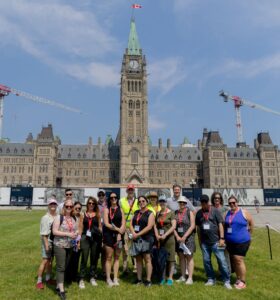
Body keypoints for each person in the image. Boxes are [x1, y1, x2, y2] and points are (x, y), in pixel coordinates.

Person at [195, 194, 231, 289]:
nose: (204, 204)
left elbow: (220, 225)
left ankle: (226, 280)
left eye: (205, 202)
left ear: (208, 202)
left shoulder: (215, 211)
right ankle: (211, 279)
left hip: (216, 242)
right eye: (202, 202)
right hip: (204, 243)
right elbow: (198, 228)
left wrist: (222, 238)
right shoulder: (198, 213)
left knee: (222, 261)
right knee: (206, 261)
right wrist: (199, 241)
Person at [225, 196, 254, 289]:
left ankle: (243, 281)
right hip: (229, 242)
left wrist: (249, 234)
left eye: (234, 202)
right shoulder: (227, 213)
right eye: (230, 203)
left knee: (239, 259)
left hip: (242, 241)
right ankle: (238, 278)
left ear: (237, 202)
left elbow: (251, 223)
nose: (232, 204)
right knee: (234, 260)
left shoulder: (244, 212)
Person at [53, 199, 79, 300]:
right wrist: (67, 234)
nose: (69, 208)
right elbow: (54, 231)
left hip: (70, 246)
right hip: (60, 245)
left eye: (70, 206)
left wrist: (76, 233)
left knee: (65, 265)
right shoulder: (58, 217)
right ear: (63, 207)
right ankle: (62, 290)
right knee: (61, 267)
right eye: (67, 206)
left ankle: (57, 285)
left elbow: (76, 229)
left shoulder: (74, 218)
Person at [130, 195, 155, 287]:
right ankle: (139, 280)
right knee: (138, 259)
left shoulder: (150, 213)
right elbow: (131, 224)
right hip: (137, 238)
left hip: (147, 238)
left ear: (146, 202)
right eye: (139, 201)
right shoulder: (136, 212)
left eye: (143, 201)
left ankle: (148, 280)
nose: (141, 203)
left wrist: (138, 234)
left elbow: (149, 227)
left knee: (147, 259)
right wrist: (133, 233)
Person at [78, 197, 102, 289]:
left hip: (95, 238)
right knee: (84, 257)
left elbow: (100, 226)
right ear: (87, 204)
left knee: (94, 257)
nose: (91, 205)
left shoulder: (98, 214)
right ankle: (81, 278)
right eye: (89, 203)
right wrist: (79, 241)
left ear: (95, 205)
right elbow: (80, 228)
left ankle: (92, 277)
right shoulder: (83, 214)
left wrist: (101, 238)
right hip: (85, 237)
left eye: (93, 203)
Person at [103, 192, 125, 287]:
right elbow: (106, 223)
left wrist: (120, 233)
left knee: (117, 257)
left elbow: (123, 223)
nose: (113, 199)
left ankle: (115, 278)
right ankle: (108, 278)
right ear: (109, 199)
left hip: (119, 236)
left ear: (117, 198)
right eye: (111, 198)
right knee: (109, 257)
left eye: (115, 197)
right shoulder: (107, 210)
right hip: (109, 235)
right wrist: (117, 229)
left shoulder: (121, 209)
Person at [36, 198, 58, 289]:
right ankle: (39, 281)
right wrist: (46, 246)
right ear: (48, 205)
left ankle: (48, 278)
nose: (53, 205)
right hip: (48, 242)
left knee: (50, 261)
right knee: (45, 261)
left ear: (56, 205)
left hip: (55, 242)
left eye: (54, 204)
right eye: (51, 204)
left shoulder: (57, 216)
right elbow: (44, 234)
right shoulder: (45, 218)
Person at [154, 196, 176, 286]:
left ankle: (170, 278)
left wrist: (165, 235)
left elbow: (173, 226)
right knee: (161, 259)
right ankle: (162, 277)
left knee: (170, 260)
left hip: (169, 239)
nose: (162, 203)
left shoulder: (171, 213)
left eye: (163, 201)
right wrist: (157, 235)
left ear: (166, 202)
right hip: (160, 239)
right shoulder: (158, 213)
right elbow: (155, 226)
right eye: (160, 202)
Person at [174, 196, 196, 285]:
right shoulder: (175, 212)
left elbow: (192, 226)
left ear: (186, 204)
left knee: (189, 257)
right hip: (179, 238)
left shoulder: (189, 212)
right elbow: (173, 226)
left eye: (183, 203)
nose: (182, 204)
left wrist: (185, 237)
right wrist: (177, 237)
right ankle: (183, 276)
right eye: (180, 203)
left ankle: (190, 278)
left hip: (188, 238)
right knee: (181, 257)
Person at [119, 184, 138, 274]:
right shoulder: (122, 201)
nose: (130, 191)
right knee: (125, 249)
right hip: (125, 228)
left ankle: (136, 267)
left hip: (134, 229)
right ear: (127, 191)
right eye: (129, 190)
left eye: (132, 190)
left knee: (135, 248)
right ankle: (125, 268)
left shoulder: (138, 201)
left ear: (134, 191)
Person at [65, 201, 83, 283]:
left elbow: (80, 229)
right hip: (68, 240)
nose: (78, 210)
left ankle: (74, 276)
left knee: (76, 258)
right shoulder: (69, 216)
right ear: (73, 208)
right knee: (68, 258)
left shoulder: (81, 217)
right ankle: (67, 276)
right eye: (76, 208)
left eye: (79, 208)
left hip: (77, 240)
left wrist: (78, 241)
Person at [97, 188, 107, 275]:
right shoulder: (95, 205)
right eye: (99, 195)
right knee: (97, 251)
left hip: (107, 230)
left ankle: (104, 270)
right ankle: (95, 270)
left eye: (102, 195)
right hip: (98, 230)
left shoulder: (109, 205)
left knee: (105, 251)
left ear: (105, 196)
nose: (101, 196)